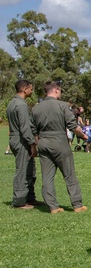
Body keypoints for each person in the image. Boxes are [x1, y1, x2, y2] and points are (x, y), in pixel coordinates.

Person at [31, 81, 87, 213]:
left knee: (47, 176)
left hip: (43, 142)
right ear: (56, 90)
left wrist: (37, 143)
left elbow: (33, 129)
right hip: (59, 141)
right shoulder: (62, 105)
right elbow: (72, 126)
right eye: (60, 90)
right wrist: (83, 136)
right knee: (69, 174)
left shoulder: (36, 108)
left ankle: (53, 206)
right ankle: (77, 204)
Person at [7, 80, 38, 209]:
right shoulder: (22, 105)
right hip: (21, 140)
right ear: (25, 89)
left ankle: (30, 198)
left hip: (14, 138)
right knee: (23, 169)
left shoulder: (11, 103)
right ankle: (19, 201)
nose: (32, 91)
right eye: (31, 88)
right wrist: (32, 144)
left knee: (30, 168)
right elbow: (25, 127)